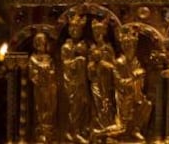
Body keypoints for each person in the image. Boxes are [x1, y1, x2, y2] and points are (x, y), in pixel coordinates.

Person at [115, 28, 152, 141]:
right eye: (126, 45)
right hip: (124, 95)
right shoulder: (120, 62)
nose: (129, 47)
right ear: (122, 46)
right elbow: (119, 82)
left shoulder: (135, 61)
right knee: (123, 123)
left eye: (131, 45)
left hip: (136, 94)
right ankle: (105, 134)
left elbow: (141, 76)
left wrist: (141, 74)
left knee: (147, 105)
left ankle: (136, 129)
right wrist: (133, 78)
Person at [88, 19, 120, 135]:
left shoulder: (108, 48)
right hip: (96, 82)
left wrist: (104, 65)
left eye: (100, 31)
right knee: (97, 103)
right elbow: (89, 68)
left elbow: (114, 66)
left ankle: (108, 126)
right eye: (95, 32)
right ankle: (100, 126)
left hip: (107, 82)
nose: (97, 34)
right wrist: (91, 66)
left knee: (107, 103)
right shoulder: (92, 49)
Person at [62, 15, 90, 143]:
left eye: (77, 28)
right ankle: (73, 132)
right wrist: (78, 58)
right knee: (75, 106)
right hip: (72, 81)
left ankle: (81, 129)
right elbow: (66, 64)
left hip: (84, 81)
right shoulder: (66, 47)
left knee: (83, 104)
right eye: (72, 28)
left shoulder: (84, 45)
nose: (75, 31)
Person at [29, 32, 58, 143]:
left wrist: (48, 73)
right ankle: (42, 131)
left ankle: (50, 131)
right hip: (40, 88)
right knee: (40, 108)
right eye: (39, 42)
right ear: (35, 44)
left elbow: (53, 71)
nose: (41, 44)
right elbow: (33, 76)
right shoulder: (33, 58)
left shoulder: (49, 58)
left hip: (51, 87)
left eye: (43, 42)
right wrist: (41, 73)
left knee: (51, 107)